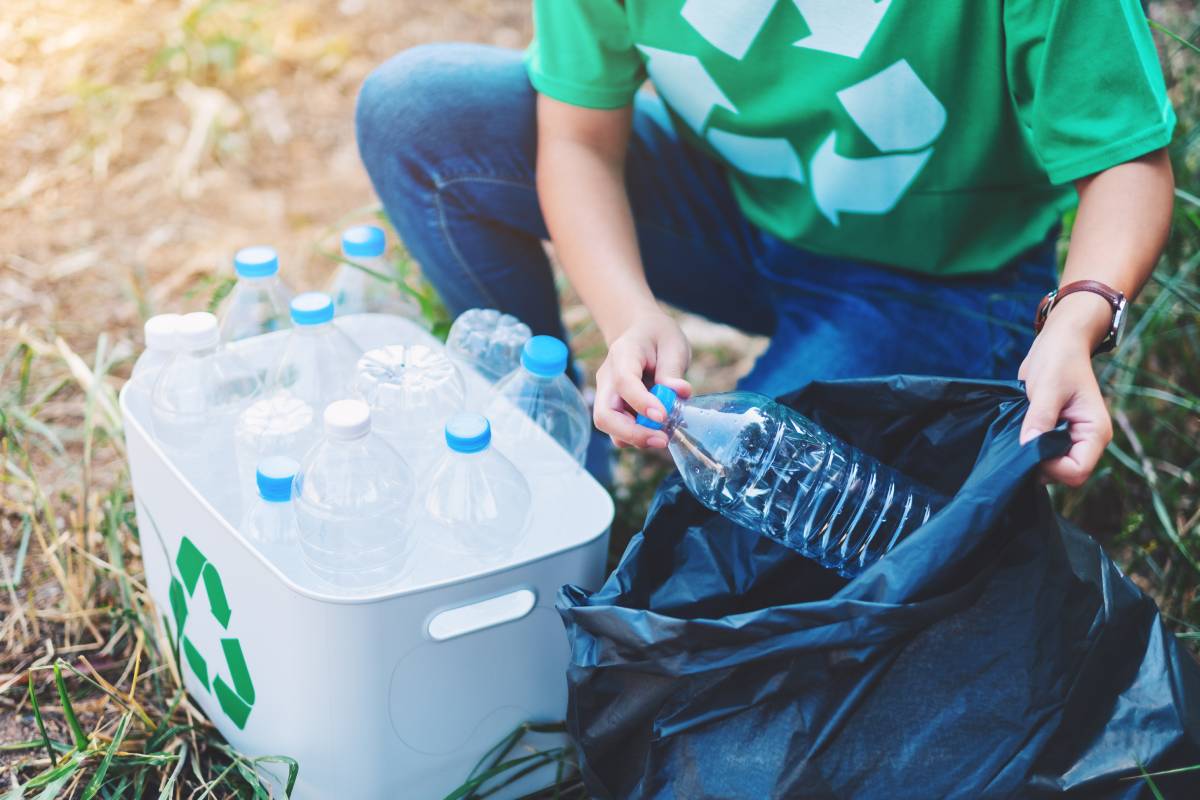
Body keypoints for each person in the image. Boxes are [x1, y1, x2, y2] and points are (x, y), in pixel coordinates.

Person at [355, 0, 1175, 487]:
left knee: (736, 513)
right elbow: (577, 143)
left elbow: (1125, 160)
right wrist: (630, 313)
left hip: (945, 275)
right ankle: (555, 464)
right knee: (420, 112)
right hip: (738, 207)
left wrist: (1077, 319)